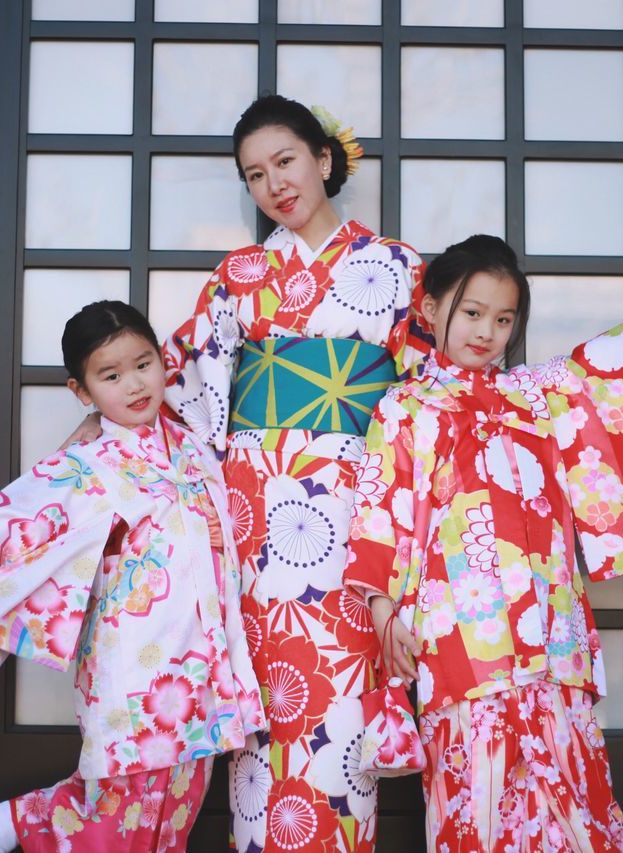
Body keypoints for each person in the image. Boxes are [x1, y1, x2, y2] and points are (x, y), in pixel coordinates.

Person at [66, 94, 433, 851]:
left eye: (287, 162)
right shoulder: (240, 273)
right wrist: (94, 437)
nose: (275, 184)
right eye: (255, 174)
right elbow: (175, 380)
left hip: (353, 513)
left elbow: (430, 400)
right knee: (261, 705)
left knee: (339, 711)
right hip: (254, 516)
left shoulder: (398, 270)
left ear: (325, 160)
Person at [343, 235, 623, 851]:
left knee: (573, 793)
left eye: (503, 319)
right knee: (479, 791)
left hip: (552, 629)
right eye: (471, 313)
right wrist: (384, 611)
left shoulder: (536, 394)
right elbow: (379, 510)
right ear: (431, 308)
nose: (487, 332)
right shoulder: (405, 407)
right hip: (462, 635)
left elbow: (616, 363)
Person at [0, 300, 265, 853]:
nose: (134, 385)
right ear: (82, 392)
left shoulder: (192, 445)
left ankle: (1, 825)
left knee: (178, 801)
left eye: (144, 364)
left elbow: (223, 507)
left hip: (199, 655)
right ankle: (8, 823)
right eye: (111, 375)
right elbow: (19, 513)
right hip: (128, 659)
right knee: (120, 807)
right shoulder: (84, 463)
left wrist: (214, 526)